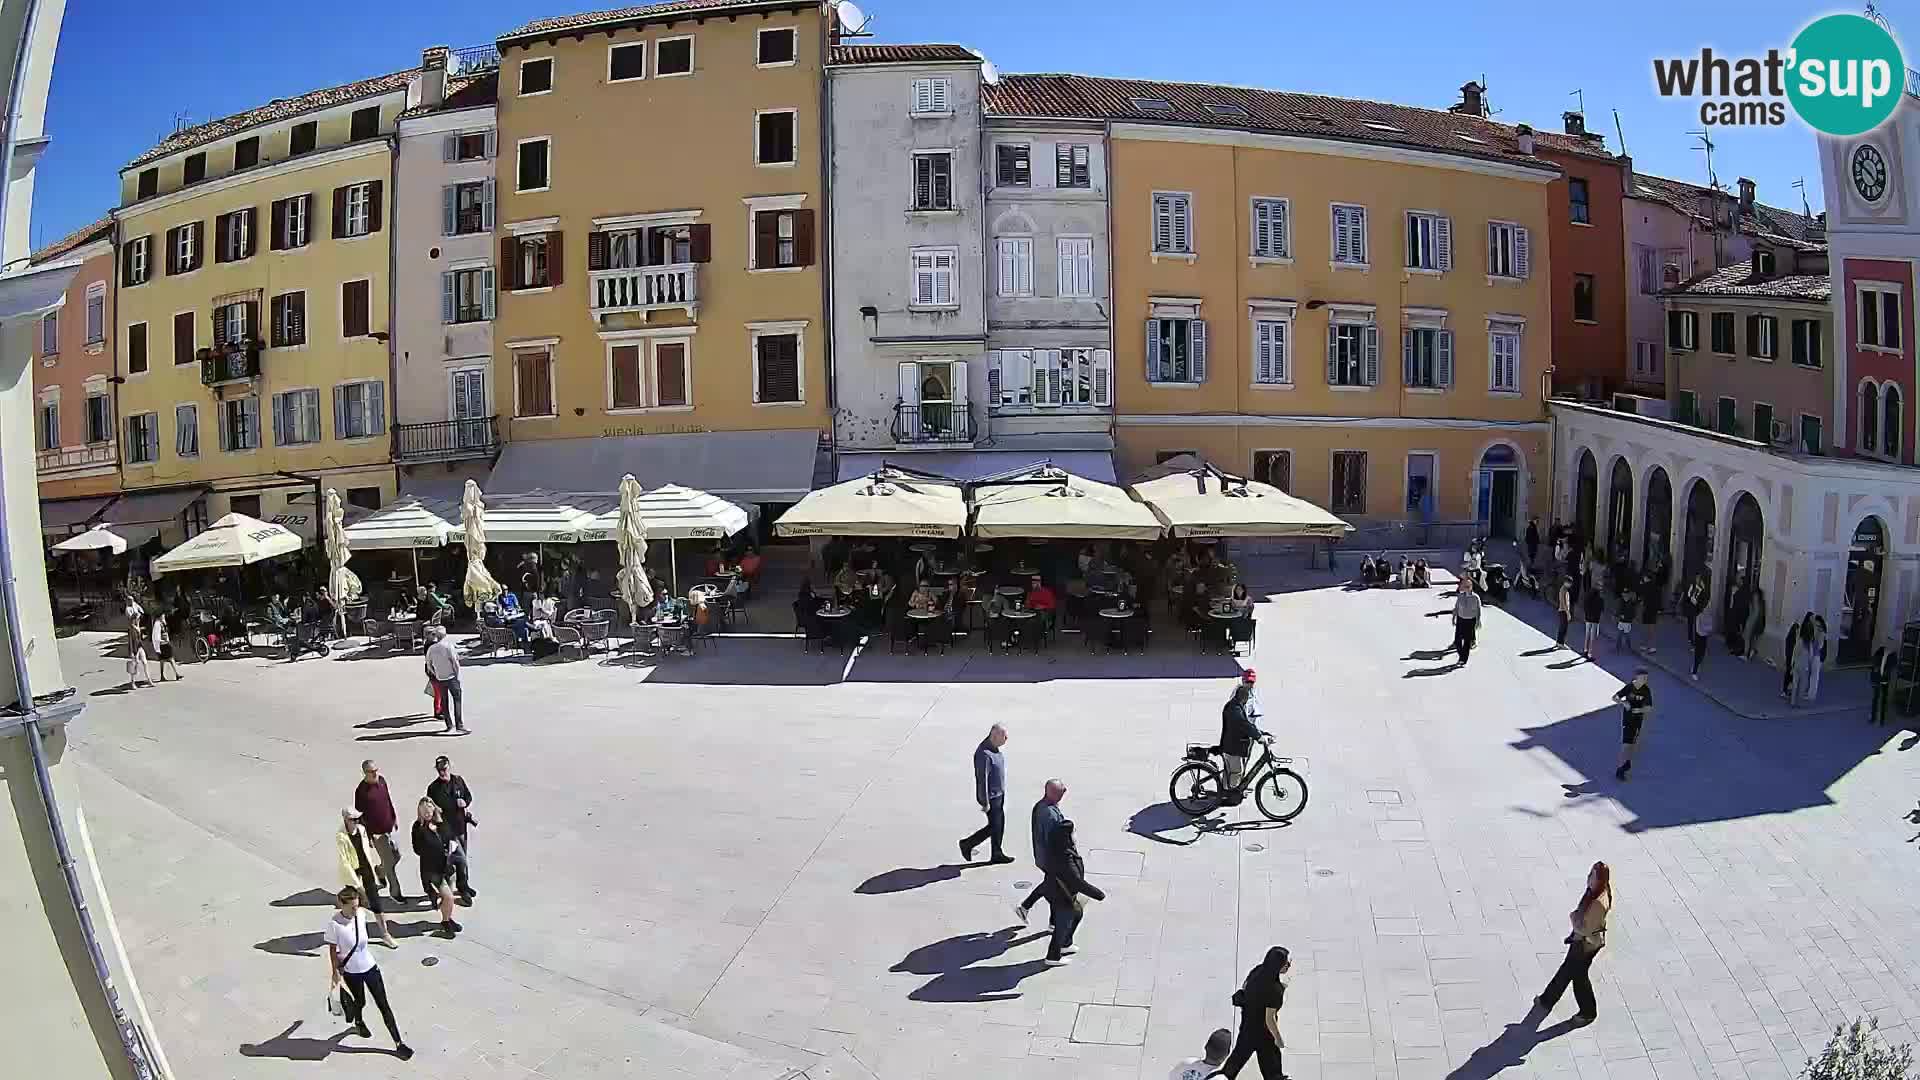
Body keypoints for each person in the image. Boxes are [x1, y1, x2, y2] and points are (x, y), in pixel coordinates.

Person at [325, 886, 413, 1059]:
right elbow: (332, 950)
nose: (355, 910)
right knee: (360, 1001)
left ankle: (398, 1043)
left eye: (357, 905)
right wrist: (335, 973)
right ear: (341, 904)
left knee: (384, 1005)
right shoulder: (334, 925)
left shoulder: (361, 915)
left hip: (370, 967)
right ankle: (358, 1021)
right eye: (351, 907)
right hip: (351, 972)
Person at [1533, 862, 1612, 1024]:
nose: (1589, 878)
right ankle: (1547, 1000)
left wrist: (1573, 918)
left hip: (1585, 944)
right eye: (1590, 874)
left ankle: (1588, 1012)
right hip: (1582, 942)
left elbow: (1585, 930)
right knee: (1568, 970)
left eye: (1593, 876)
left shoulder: (1597, 902)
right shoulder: (1596, 892)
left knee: (1578, 977)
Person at [1215, 946, 1291, 1078]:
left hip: (1247, 1028)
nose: (1288, 965)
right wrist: (1278, 1039)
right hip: (1264, 1035)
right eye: (1286, 963)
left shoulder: (1257, 971)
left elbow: (1246, 987)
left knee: (1234, 1064)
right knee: (1272, 1069)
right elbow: (1270, 1019)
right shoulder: (1274, 990)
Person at [1040, 817, 1104, 966]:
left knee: (1077, 913)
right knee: (1063, 924)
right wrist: (1098, 894)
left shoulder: (1062, 848)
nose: (1075, 835)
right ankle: (1053, 956)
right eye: (1073, 832)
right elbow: (1077, 882)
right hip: (1061, 895)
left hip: (1061, 892)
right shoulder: (1065, 857)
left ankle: (1066, 944)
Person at [335, 810, 399, 948]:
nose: (357, 822)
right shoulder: (341, 836)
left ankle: (385, 934)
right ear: (346, 819)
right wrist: (358, 886)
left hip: (366, 869)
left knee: (376, 903)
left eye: (358, 818)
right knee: (352, 905)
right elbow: (345, 862)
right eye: (353, 819)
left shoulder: (362, 829)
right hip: (353, 873)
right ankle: (349, 935)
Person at [1012, 779, 1067, 926]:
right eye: (1061, 792)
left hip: (1044, 856)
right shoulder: (1048, 813)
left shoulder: (1042, 806)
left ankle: (1050, 922)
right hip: (1051, 858)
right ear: (1052, 793)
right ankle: (1049, 921)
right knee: (1056, 889)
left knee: (1053, 887)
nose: (1064, 794)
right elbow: (1054, 839)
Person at [353, 760, 406, 905]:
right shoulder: (361, 791)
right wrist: (368, 836)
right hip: (377, 834)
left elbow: (388, 801)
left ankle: (380, 870)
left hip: (390, 828)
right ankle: (395, 893)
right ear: (365, 773)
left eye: (376, 770)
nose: (375, 773)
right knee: (390, 864)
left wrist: (394, 817)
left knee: (397, 856)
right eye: (372, 772)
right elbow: (360, 817)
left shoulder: (382, 781)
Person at [959, 724, 1013, 864]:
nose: (1006, 739)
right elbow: (982, 779)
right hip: (992, 798)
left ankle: (996, 852)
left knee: (998, 825)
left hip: (998, 795)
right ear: (994, 736)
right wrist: (985, 802)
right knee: (995, 826)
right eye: (1004, 736)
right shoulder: (984, 754)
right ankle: (967, 844)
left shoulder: (994, 748)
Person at [409, 799, 462, 937]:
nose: (427, 813)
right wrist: (429, 841)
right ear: (419, 812)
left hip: (447, 867)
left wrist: (451, 847)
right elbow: (417, 849)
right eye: (423, 811)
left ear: (433, 809)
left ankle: (448, 919)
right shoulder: (417, 828)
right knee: (449, 897)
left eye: (429, 809)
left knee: (447, 898)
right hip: (432, 870)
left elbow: (450, 836)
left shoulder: (440, 822)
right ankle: (445, 922)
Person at [427, 756, 476, 904]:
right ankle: (461, 888)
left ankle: (462, 884)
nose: (442, 772)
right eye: (439, 770)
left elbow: (468, 796)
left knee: (462, 859)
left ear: (449, 767)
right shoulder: (434, 788)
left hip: (461, 827)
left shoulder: (458, 781)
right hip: (447, 831)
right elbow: (430, 808)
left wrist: (465, 802)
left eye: (444, 769)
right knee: (459, 860)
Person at [1220, 673, 1260, 801]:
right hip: (1235, 742)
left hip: (1242, 738)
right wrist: (1258, 735)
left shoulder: (1247, 696)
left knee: (1235, 768)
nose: (1249, 685)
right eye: (1248, 682)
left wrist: (1259, 732)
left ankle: (1231, 789)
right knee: (1235, 770)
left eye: (1251, 682)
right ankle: (1230, 794)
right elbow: (1242, 723)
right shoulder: (1235, 706)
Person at [1612, 670, 1653, 781]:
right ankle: (1620, 769)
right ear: (1637, 677)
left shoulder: (1646, 690)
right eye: (1643, 678)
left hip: (1638, 720)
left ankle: (1627, 762)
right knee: (1626, 745)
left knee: (1632, 744)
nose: (1645, 680)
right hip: (1627, 720)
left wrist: (1639, 709)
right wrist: (1624, 703)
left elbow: (1649, 708)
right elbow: (1615, 697)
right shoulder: (1629, 687)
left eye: (1646, 678)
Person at [424, 626, 464, 734]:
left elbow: (429, 664)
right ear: (445, 635)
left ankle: (449, 725)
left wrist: (436, 673)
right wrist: (457, 675)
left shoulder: (432, 649)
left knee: (444, 702)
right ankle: (459, 725)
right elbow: (455, 662)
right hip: (451, 676)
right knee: (457, 700)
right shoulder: (448, 646)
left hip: (440, 678)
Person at [1452, 584, 1482, 665]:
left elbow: (1478, 610)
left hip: (1470, 620)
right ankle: (1462, 655)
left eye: (1468, 586)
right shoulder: (1460, 596)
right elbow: (1456, 607)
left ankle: (1463, 659)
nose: (1467, 588)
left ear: (1471, 587)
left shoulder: (1476, 597)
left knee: (1467, 641)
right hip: (1460, 619)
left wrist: (1478, 621)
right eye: (1466, 586)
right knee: (1458, 640)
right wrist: (1453, 617)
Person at [149, 609, 181, 682]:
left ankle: (164, 676)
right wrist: (162, 641)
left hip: (164, 644)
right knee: (170, 659)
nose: (164, 617)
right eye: (163, 616)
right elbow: (156, 636)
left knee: (163, 660)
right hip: (163, 644)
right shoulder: (157, 624)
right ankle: (176, 674)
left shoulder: (161, 623)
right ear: (160, 616)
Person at [1870, 646, 1897, 726]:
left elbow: (1891, 667)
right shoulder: (1880, 652)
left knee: (1882, 699)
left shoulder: (1892, 655)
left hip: (1884, 679)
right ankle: (1874, 717)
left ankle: (1880, 719)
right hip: (1878, 678)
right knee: (1876, 698)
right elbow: (1874, 666)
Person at [1807, 616, 1829, 703]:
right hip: (1815, 656)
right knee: (1812, 676)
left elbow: (1819, 646)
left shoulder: (1821, 633)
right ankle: (1809, 693)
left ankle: (1811, 695)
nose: (1815, 626)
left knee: (1814, 677)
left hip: (1817, 657)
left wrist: (1814, 641)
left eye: (1817, 624)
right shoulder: (1819, 632)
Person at [1581, 583, 1605, 659]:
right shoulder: (1600, 600)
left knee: (1587, 635)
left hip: (1588, 619)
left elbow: (1584, 606)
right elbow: (1602, 609)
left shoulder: (1587, 598)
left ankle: (1585, 650)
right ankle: (1590, 654)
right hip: (1595, 620)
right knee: (1592, 637)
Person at [1638, 577, 1660, 654]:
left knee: (1645, 627)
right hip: (1653, 610)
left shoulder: (1644, 586)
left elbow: (1640, 596)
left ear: (1647, 578)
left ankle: (1644, 645)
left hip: (1646, 608)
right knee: (1651, 628)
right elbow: (1658, 598)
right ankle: (1650, 646)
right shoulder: (1655, 586)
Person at [1689, 605, 1711, 680]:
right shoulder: (1699, 616)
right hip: (1699, 637)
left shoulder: (1709, 616)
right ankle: (1694, 672)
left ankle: (1696, 666)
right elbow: (1698, 629)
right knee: (1698, 654)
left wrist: (1705, 630)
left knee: (1702, 654)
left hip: (1704, 637)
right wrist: (1704, 630)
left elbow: (1710, 627)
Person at [1554, 577, 1574, 650]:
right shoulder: (1564, 590)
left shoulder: (1563, 589)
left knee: (1562, 627)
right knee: (1564, 628)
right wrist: (1568, 613)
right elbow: (1564, 603)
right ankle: (1561, 643)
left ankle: (1559, 642)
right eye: (1569, 583)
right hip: (1563, 611)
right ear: (1566, 582)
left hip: (1562, 610)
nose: (1570, 585)